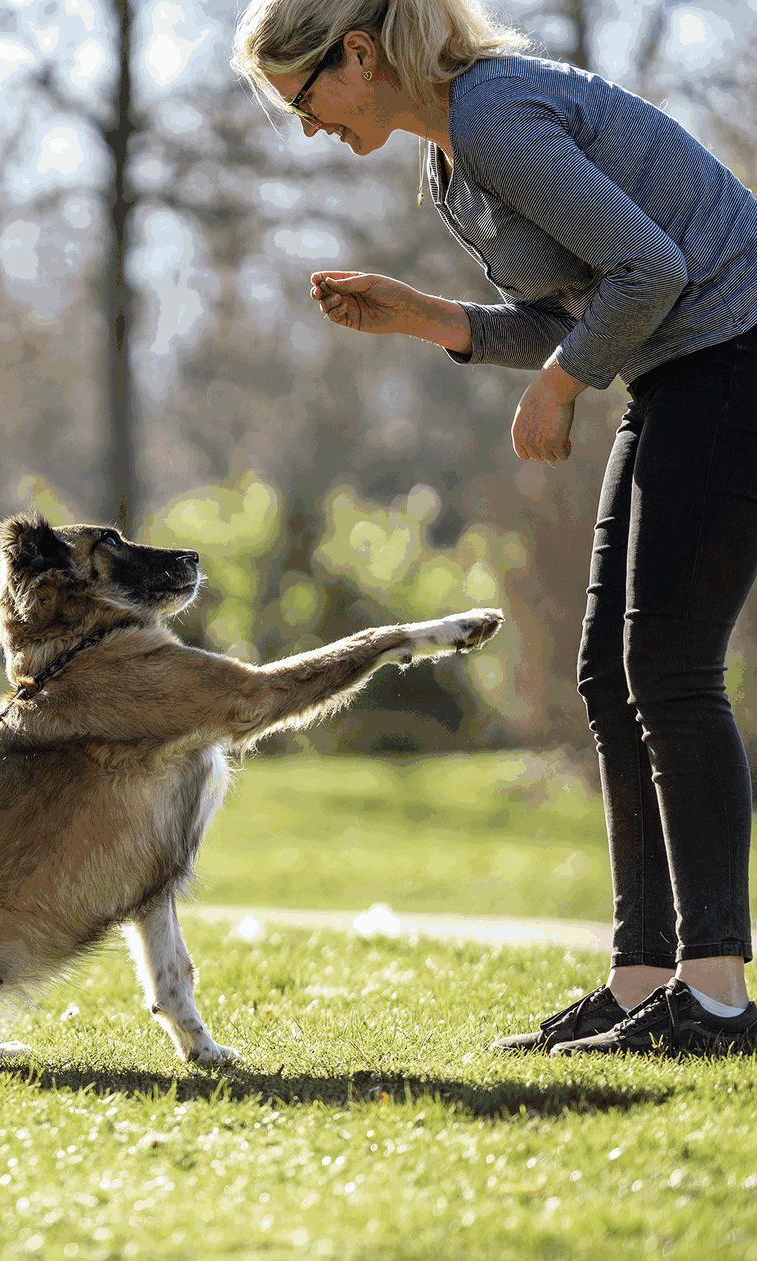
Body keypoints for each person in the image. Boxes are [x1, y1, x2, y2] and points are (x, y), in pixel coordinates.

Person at [231, 0, 757, 1056]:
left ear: (360, 54)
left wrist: (560, 387)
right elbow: (582, 311)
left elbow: (651, 271)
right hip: (679, 372)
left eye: (304, 100)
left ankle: (716, 999)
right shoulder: (451, 165)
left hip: (735, 355)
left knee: (668, 666)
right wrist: (429, 318)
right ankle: (644, 979)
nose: (309, 127)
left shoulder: (497, 115)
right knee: (611, 673)